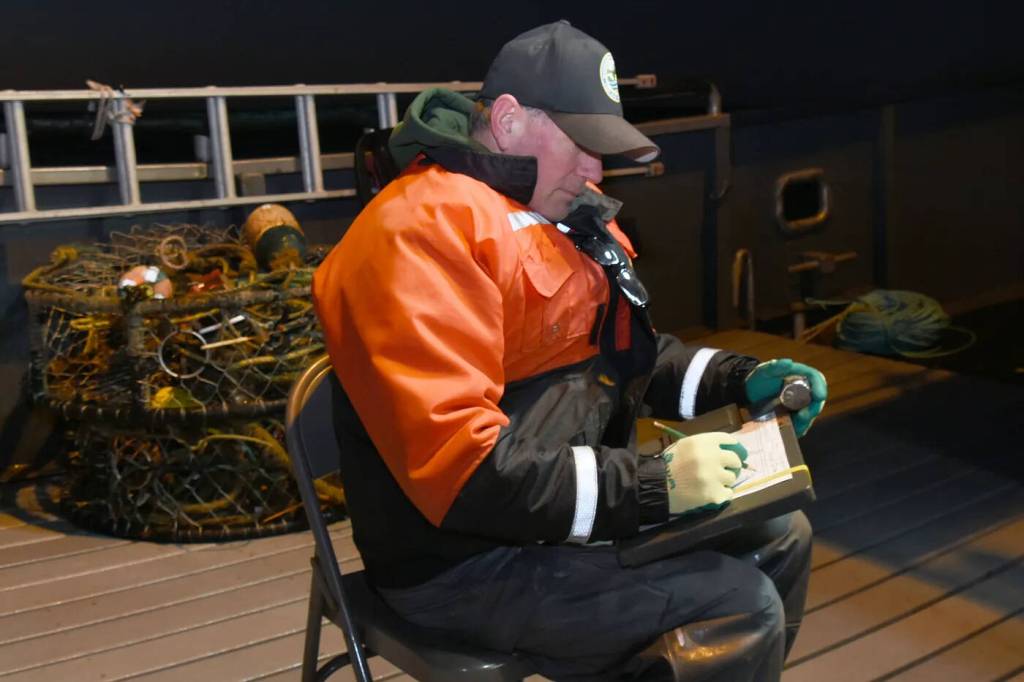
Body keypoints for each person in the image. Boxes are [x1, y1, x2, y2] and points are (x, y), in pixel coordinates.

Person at [312, 20, 827, 681]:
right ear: (506, 120)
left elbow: (625, 360)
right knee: (737, 605)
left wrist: (743, 381)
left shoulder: (551, 215)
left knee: (780, 538)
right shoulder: (413, 235)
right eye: (582, 144)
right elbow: (464, 473)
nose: (595, 170)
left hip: (550, 522)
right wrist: (655, 484)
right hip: (459, 564)